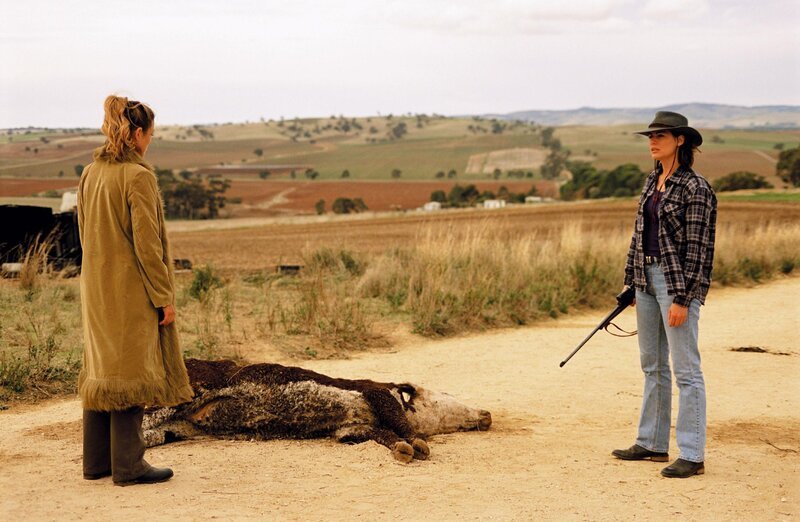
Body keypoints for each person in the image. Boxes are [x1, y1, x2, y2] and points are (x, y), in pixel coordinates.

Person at [77, 95, 193, 486]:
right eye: (151, 135)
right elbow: (148, 246)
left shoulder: (90, 173)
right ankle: (129, 465)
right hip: (131, 290)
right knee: (130, 371)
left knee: (101, 369)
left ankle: (97, 463)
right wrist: (163, 297)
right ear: (138, 133)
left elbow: (84, 234)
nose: (150, 142)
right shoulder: (138, 176)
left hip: (95, 289)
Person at [612, 111, 717, 478]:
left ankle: (692, 453)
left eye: (661, 136)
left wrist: (683, 299)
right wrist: (630, 281)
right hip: (644, 280)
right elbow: (639, 234)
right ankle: (652, 443)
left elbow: (698, 249)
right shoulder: (651, 181)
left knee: (686, 371)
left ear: (680, 140)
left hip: (675, 283)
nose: (653, 142)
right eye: (650, 137)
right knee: (652, 365)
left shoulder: (696, 187)